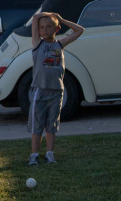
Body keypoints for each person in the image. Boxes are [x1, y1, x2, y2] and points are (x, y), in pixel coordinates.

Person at [27, 11, 84, 166]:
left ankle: (50, 155)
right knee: (37, 126)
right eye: (42, 27)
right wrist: (46, 14)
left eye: (49, 27)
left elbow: (80, 30)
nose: (45, 30)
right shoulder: (37, 43)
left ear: (56, 29)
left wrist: (61, 19)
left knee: (52, 125)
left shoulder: (60, 44)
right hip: (40, 90)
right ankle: (34, 156)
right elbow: (35, 17)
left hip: (56, 92)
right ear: (38, 30)